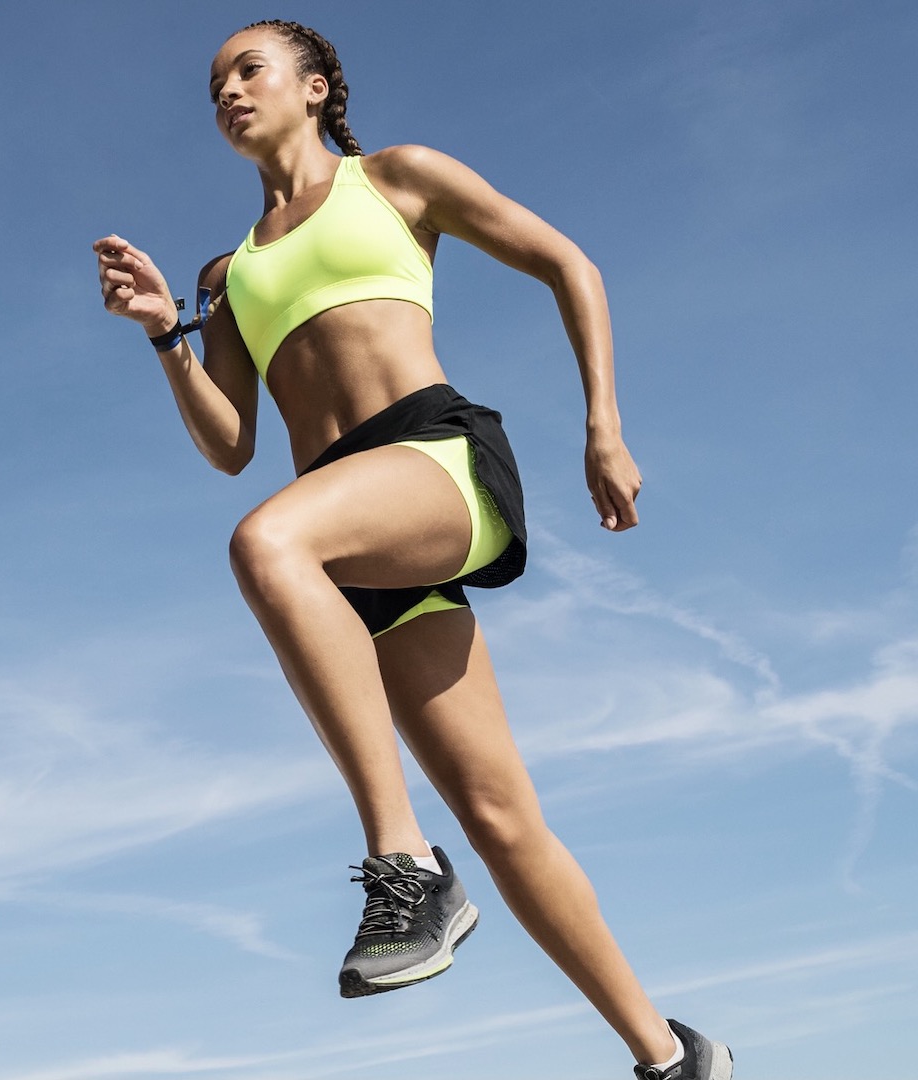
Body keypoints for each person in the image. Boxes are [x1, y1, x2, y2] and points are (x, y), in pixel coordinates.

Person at [92, 19, 733, 1080]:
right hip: (349, 540)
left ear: (316, 85)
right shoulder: (229, 269)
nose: (228, 93)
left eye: (248, 70)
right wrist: (168, 334)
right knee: (499, 815)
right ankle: (668, 1054)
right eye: (215, 86)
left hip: (434, 463)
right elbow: (229, 444)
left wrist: (603, 424)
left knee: (266, 544)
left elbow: (568, 263)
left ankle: (403, 862)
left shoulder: (396, 179)